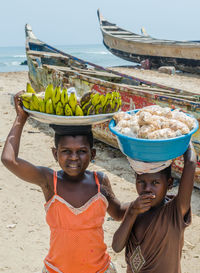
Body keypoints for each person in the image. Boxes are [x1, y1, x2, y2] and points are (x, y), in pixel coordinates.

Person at [1, 91, 129, 273]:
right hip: (57, 269)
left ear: (93, 154)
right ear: (55, 154)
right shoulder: (49, 181)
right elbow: (9, 160)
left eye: (82, 151)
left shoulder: (100, 181)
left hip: (99, 269)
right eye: (66, 151)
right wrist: (20, 119)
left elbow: (118, 213)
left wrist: (141, 204)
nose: (74, 158)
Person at [112, 143, 196, 273]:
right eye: (141, 182)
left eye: (155, 183)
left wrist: (185, 139)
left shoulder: (175, 211)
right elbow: (116, 247)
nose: (147, 189)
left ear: (169, 183)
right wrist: (132, 212)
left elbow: (190, 163)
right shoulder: (134, 209)